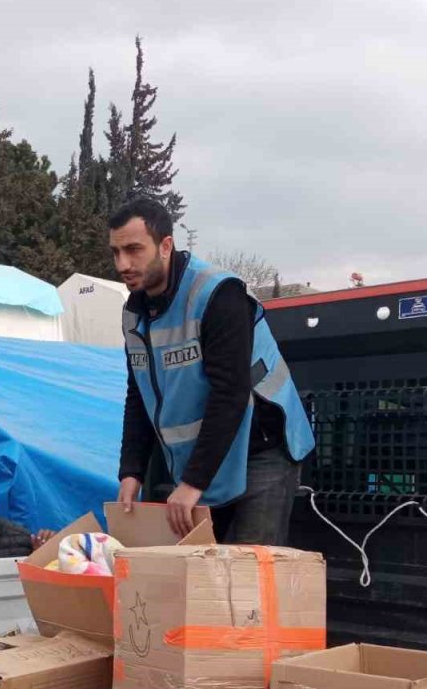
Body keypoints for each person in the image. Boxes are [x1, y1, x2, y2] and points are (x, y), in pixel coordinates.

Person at [111, 197, 315, 545]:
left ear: (165, 245)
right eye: (115, 252)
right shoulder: (134, 312)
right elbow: (139, 395)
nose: (122, 264)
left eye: (133, 250)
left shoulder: (218, 294)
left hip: (261, 449)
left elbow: (231, 393)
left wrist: (192, 484)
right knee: (200, 577)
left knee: (251, 573)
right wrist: (130, 471)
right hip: (206, 457)